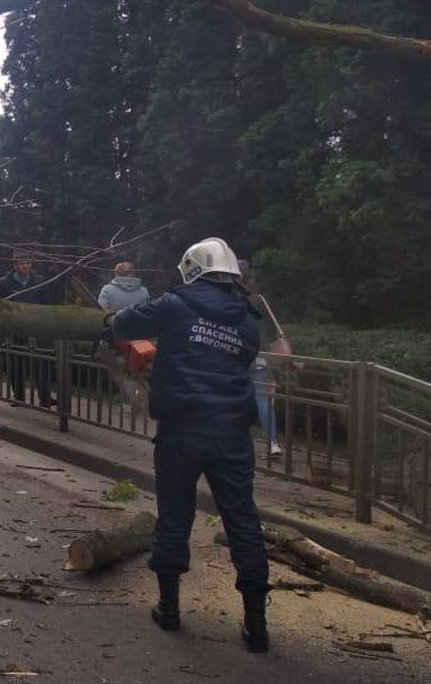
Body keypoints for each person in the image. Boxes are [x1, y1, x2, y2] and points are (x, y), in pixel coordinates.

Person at [110, 237, 270, 653]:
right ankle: (256, 625)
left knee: (175, 516)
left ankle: (169, 607)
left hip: (182, 428)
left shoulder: (173, 304)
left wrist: (109, 324)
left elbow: (125, 324)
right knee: (243, 523)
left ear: (192, 269)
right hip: (232, 433)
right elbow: (243, 359)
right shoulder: (249, 319)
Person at [239, 261, 291, 459]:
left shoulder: (227, 298)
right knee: (262, 399)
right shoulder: (259, 299)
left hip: (234, 356)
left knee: (232, 397)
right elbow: (270, 329)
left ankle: (237, 440)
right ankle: (273, 443)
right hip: (259, 355)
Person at [0, 257, 54, 407]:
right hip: (15, 329)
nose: (26, 266)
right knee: (16, 363)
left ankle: (45, 397)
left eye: (28, 263)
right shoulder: (4, 283)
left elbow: (46, 303)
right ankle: (18, 397)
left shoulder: (39, 281)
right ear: (14, 265)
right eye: (22, 263)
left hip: (36, 328)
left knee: (41, 363)